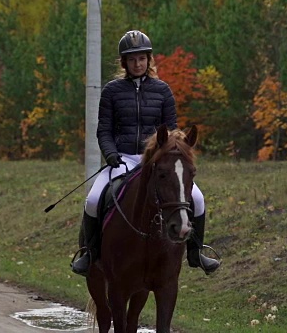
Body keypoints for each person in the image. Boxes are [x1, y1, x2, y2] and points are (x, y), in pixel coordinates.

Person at [71, 30, 220, 277]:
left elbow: (172, 131)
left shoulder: (163, 91)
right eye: (132, 59)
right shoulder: (112, 91)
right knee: (94, 200)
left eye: (142, 58)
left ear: (148, 60)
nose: (137, 63)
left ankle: (196, 253)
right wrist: (110, 154)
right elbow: (104, 130)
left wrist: (167, 155)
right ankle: (90, 254)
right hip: (123, 158)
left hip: (157, 161)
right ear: (124, 63)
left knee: (198, 198)